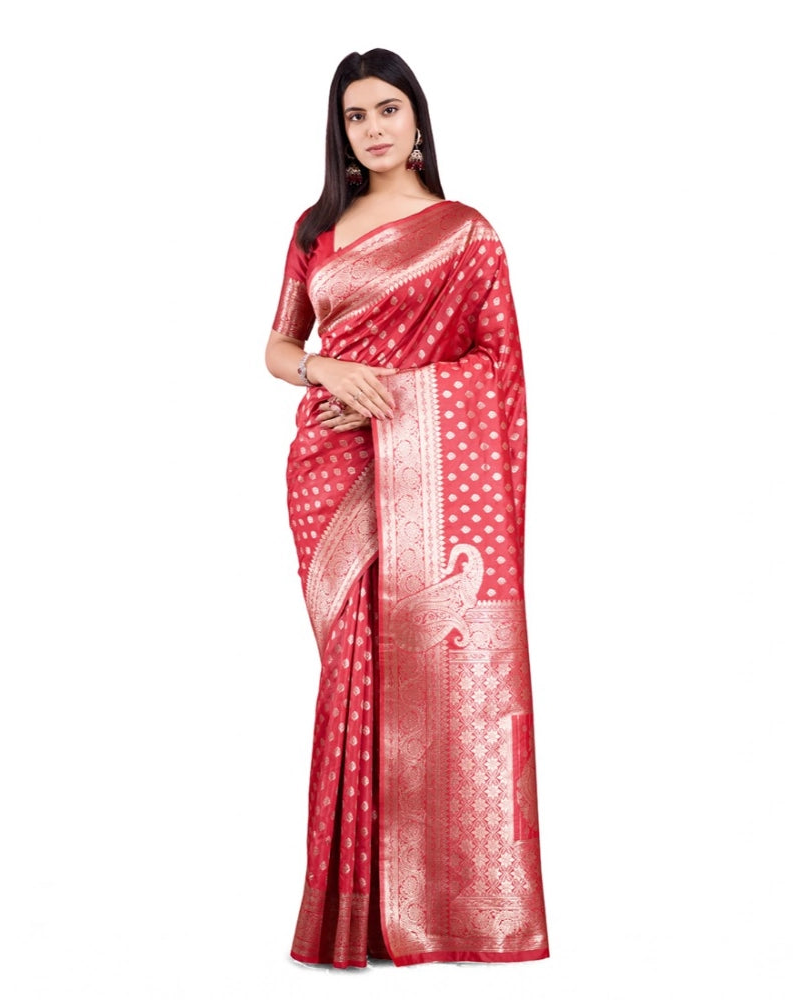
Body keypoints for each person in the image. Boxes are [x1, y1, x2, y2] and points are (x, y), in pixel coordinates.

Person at [265, 47, 549, 969]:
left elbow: (496, 369)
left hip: (429, 474)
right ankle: (354, 910)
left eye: (388, 109)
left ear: (417, 119)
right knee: (351, 670)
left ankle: (433, 907)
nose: (373, 128)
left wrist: (394, 395)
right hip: (330, 471)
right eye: (356, 115)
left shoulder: (466, 235)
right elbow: (278, 347)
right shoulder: (316, 230)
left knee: (416, 666)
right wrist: (325, 367)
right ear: (340, 131)